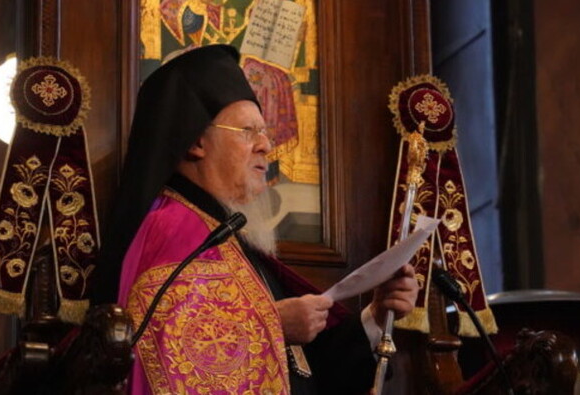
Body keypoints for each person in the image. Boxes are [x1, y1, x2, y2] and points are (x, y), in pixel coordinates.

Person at [91, 44, 418, 394]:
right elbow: (164, 353)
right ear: (196, 142)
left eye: (265, 132)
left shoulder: (226, 234)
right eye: (249, 131)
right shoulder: (172, 228)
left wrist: (375, 316)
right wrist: (272, 324)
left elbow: (305, 372)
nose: (266, 145)